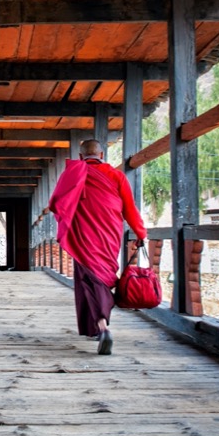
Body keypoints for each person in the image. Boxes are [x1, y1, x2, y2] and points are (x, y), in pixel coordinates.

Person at [48, 139, 147, 355]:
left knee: (88, 280)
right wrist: (140, 232)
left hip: (82, 237)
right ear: (102, 155)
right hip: (109, 236)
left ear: (81, 157)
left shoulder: (72, 173)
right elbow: (129, 208)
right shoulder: (116, 175)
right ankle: (98, 327)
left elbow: (56, 203)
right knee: (102, 277)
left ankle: (101, 327)